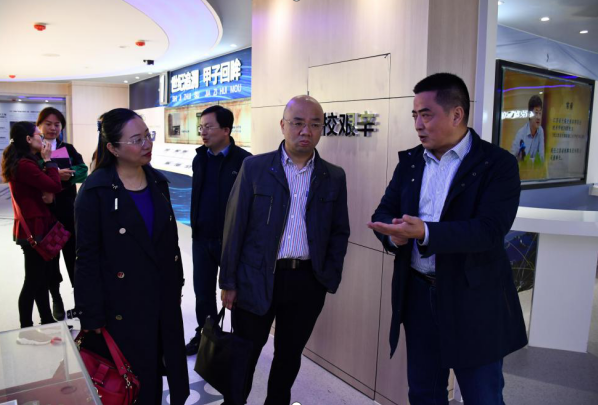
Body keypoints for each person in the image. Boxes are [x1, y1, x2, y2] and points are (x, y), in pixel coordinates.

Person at [368, 73, 527, 405]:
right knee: (424, 392)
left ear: (457, 115)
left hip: (473, 297)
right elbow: (385, 210)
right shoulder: (411, 162)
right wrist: (394, 237)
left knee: (482, 395)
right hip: (418, 293)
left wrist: (425, 232)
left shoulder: (497, 164)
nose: (418, 125)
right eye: (415, 115)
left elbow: (489, 229)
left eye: (426, 115)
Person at [219, 95, 350, 405]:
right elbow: (234, 227)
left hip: (306, 281)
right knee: (244, 356)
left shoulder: (333, 176)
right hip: (256, 278)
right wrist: (229, 282)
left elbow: (339, 231)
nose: (306, 131)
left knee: (289, 358)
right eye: (298, 123)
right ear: (283, 125)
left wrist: (327, 277)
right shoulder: (255, 167)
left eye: (315, 124)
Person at [74, 108, 189, 404]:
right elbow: (86, 257)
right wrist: (90, 314)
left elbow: (170, 244)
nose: (147, 144)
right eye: (137, 140)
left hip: (161, 299)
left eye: (148, 136)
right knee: (130, 381)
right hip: (121, 305)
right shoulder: (95, 191)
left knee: (158, 371)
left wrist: (176, 285)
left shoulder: (157, 183)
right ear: (113, 148)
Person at [185, 105, 251, 355]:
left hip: (232, 241)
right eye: (201, 127)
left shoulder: (245, 162)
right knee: (202, 292)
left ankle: (239, 342)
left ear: (226, 130)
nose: (203, 132)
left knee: (237, 293)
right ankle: (205, 336)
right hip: (202, 238)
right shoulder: (200, 158)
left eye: (208, 127)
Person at [2, 122, 62, 336]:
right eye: (39, 135)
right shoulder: (25, 165)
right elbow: (54, 186)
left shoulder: (24, 162)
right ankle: (26, 329)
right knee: (33, 281)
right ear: (28, 139)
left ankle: (46, 320)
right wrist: (49, 161)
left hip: (34, 226)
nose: (43, 138)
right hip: (34, 229)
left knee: (40, 278)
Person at [36, 107, 88, 321]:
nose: (53, 128)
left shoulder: (68, 148)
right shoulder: (34, 150)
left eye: (57, 124)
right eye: (48, 124)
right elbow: (32, 174)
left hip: (68, 212)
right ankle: (56, 298)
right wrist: (55, 173)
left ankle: (81, 301)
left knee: (74, 258)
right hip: (45, 214)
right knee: (50, 261)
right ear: (39, 126)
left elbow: (83, 170)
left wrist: (69, 176)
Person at [511, 95, 544, 163]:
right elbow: (512, 158)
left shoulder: (540, 131)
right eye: (536, 113)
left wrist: (527, 160)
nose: (538, 117)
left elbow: (541, 158)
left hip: (534, 169)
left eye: (540, 113)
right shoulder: (521, 134)